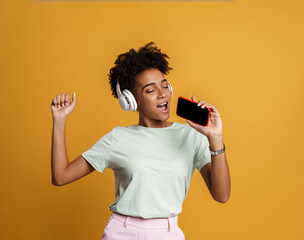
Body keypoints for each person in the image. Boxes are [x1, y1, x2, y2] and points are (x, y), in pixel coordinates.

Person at [50, 42, 231, 240]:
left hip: (168, 233)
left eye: (164, 85)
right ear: (131, 100)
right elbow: (61, 176)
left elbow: (221, 195)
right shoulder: (118, 138)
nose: (163, 94)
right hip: (122, 232)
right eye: (150, 90)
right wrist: (59, 120)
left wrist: (216, 139)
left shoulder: (191, 136)